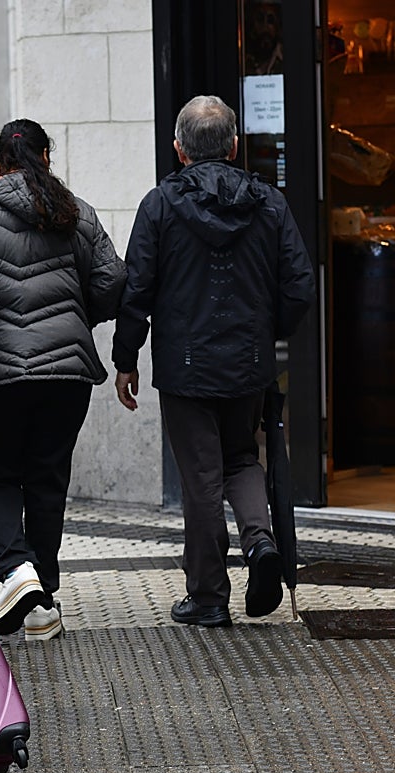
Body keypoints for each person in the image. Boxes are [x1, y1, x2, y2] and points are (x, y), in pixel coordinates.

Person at [112, 94, 315, 628]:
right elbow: (299, 285)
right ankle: (260, 542)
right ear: (233, 146)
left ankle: (207, 596)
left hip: (185, 365)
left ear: (179, 150)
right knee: (243, 458)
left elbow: (136, 288)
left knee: (201, 476)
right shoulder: (268, 202)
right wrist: (269, 331)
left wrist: (126, 357)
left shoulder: (159, 204)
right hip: (248, 360)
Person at [0, 118, 127, 641]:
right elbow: (113, 278)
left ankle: (18, 570)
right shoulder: (74, 210)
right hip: (67, 372)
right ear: (45, 157)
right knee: (47, 477)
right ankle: (43, 604)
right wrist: (80, 317)